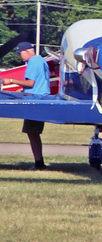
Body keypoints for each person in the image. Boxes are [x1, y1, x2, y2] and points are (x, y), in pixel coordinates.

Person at [17, 41, 50, 170]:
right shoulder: (40, 60)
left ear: (26, 52)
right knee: (33, 133)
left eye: (20, 54)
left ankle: (39, 163)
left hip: (35, 100)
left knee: (32, 132)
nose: (20, 57)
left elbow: (30, 83)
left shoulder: (33, 62)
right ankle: (38, 161)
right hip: (39, 98)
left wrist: (11, 81)